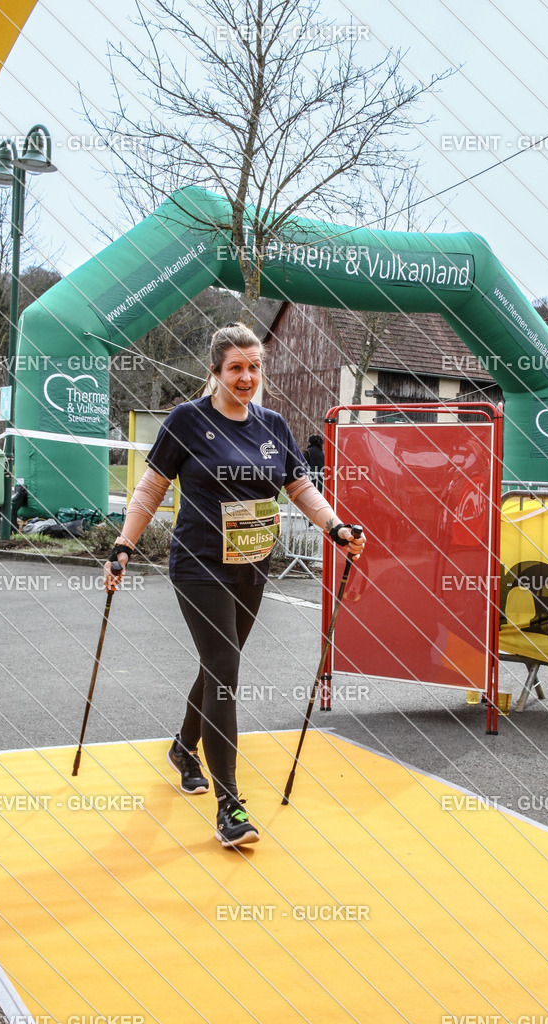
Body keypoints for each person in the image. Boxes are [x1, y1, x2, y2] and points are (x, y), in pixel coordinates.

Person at [104, 323, 366, 850]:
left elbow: (300, 487)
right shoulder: (187, 419)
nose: (247, 377)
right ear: (215, 371)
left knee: (216, 665)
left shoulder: (272, 424)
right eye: (236, 367)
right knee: (225, 667)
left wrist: (336, 527)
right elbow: (151, 488)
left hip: (252, 563)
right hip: (199, 563)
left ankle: (184, 746)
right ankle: (230, 805)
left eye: (254, 366)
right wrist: (124, 546)